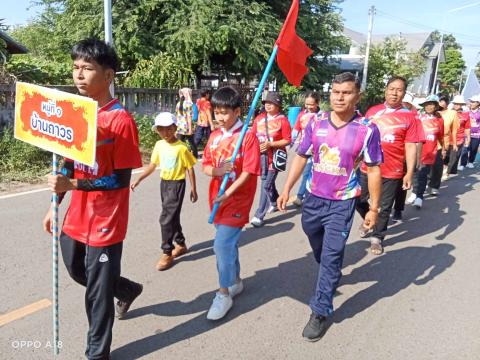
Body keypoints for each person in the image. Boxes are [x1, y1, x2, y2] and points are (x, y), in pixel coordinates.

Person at [42, 38, 143, 360]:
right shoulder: (77, 115)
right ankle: (126, 288)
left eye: (87, 69)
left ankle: (96, 354)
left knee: (97, 296)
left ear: (109, 75)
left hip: (106, 221)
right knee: (76, 270)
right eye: (75, 68)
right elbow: (69, 162)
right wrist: (54, 202)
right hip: (76, 215)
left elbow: (120, 180)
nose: (79, 75)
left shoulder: (121, 121)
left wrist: (71, 184)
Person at [277, 72, 383, 342]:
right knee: (318, 245)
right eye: (335, 92)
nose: (339, 97)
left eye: (346, 92)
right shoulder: (316, 122)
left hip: (342, 202)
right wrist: (287, 188)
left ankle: (320, 309)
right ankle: (330, 269)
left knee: (332, 254)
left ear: (357, 96)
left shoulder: (367, 128)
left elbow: (373, 170)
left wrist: (373, 209)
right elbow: (301, 156)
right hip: (313, 198)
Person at [202, 86, 260, 320]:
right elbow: (206, 165)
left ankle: (223, 293)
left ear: (237, 112)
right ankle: (234, 280)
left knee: (222, 245)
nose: (220, 117)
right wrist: (218, 171)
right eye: (217, 112)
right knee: (229, 245)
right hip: (217, 199)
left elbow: (249, 172)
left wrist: (229, 193)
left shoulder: (247, 136)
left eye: (225, 112)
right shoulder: (215, 136)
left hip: (237, 200)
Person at [356, 76, 422, 255]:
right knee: (357, 199)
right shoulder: (373, 111)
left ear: (404, 93)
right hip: (368, 168)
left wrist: (409, 172)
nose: (394, 92)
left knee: (384, 206)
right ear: (386, 90)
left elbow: (410, 146)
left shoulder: (410, 117)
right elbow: (361, 138)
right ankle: (369, 218)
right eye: (391, 88)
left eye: (399, 90)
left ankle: (377, 237)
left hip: (392, 170)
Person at [130, 112, 198, 271]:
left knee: (165, 219)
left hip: (177, 185)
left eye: (169, 129)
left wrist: (194, 189)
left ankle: (167, 251)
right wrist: (139, 179)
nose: (165, 133)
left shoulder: (181, 148)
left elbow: (190, 168)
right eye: (161, 129)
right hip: (164, 184)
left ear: (175, 128)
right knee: (171, 216)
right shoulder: (159, 145)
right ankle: (180, 243)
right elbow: (153, 165)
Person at [250, 92, 291, 227]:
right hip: (261, 156)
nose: (267, 105)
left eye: (271, 102)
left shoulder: (283, 120)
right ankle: (273, 202)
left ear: (278, 105)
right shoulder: (259, 119)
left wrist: (270, 144)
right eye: (266, 102)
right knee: (267, 182)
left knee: (266, 185)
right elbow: (252, 136)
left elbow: (287, 140)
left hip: (275, 157)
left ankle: (259, 215)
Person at [406, 95, 445, 208]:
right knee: (415, 174)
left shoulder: (439, 121)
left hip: (429, 152)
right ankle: (414, 192)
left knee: (423, 174)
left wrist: (443, 148)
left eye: (432, 104)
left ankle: (419, 197)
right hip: (415, 151)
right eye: (427, 104)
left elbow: (441, 136)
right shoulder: (418, 117)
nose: (429, 106)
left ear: (436, 106)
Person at [391, 91, 421, 221]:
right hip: (387, 156)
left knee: (401, 186)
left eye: (407, 104)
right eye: (404, 103)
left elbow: (418, 141)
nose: (405, 105)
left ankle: (398, 209)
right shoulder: (388, 114)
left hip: (403, 157)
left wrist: (416, 160)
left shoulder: (414, 118)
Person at [291, 91, 321, 206]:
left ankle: (302, 195)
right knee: (306, 172)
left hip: (318, 150)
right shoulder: (301, 115)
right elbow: (296, 131)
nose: (308, 107)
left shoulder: (322, 116)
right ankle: (302, 195)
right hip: (304, 148)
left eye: (311, 104)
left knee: (311, 173)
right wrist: (290, 144)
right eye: (306, 104)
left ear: (317, 103)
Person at [428, 95, 458, 194]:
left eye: (442, 101)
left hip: (442, 142)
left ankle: (435, 186)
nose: (440, 103)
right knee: (426, 165)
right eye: (439, 101)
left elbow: (453, 130)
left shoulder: (452, 113)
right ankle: (424, 184)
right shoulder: (429, 114)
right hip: (429, 141)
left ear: (447, 103)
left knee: (438, 165)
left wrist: (454, 143)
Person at [444, 95, 470, 179]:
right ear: (453, 104)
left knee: (454, 158)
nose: (457, 106)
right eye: (456, 104)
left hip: (458, 140)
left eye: (459, 104)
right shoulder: (447, 113)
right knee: (445, 157)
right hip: (447, 139)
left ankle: (447, 172)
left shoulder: (465, 115)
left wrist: (468, 138)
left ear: (462, 105)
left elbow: (467, 128)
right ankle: (445, 169)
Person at [176, 87, 198, 158]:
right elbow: (189, 117)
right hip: (186, 127)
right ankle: (195, 155)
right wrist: (190, 129)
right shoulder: (188, 104)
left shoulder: (178, 104)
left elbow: (177, 116)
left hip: (179, 127)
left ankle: (180, 155)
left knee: (179, 142)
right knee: (191, 142)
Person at [460, 94, 480, 169]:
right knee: (465, 149)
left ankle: (471, 162)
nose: (471, 103)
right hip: (467, 134)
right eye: (471, 101)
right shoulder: (466, 112)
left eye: (473, 102)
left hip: (477, 135)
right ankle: (462, 164)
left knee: (473, 149)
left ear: (478, 103)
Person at [194, 89, 214, 154]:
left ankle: (193, 150)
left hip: (200, 122)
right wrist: (212, 124)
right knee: (210, 137)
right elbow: (208, 114)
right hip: (206, 123)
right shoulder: (207, 103)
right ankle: (210, 152)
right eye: (208, 94)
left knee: (198, 137)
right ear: (206, 94)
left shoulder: (198, 101)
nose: (209, 95)